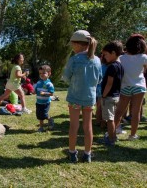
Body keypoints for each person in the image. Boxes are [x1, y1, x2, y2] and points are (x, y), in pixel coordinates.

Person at [63, 30, 102, 163]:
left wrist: (74, 82)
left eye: (72, 44)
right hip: (90, 98)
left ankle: (72, 153)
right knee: (88, 126)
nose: (72, 47)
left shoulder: (74, 60)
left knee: (74, 126)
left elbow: (66, 78)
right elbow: (100, 78)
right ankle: (87, 154)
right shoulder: (97, 60)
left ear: (78, 44)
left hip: (75, 97)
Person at [114, 34, 147, 141]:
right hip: (139, 86)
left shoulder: (121, 58)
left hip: (125, 86)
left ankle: (113, 130)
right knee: (136, 112)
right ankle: (133, 135)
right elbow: (145, 70)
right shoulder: (144, 57)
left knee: (119, 111)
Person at [99, 41, 124, 146]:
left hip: (109, 97)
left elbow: (109, 83)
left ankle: (111, 139)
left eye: (106, 54)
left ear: (113, 53)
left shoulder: (112, 67)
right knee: (112, 118)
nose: (104, 57)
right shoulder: (120, 66)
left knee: (109, 119)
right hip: (116, 96)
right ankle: (113, 137)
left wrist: (103, 95)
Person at [35, 65, 55, 132]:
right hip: (38, 102)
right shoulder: (38, 82)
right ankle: (41, 127)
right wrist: (33, 91)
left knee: (44, 114)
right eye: (40, 73)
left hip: (46, 102)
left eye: (44, 73)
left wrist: (45, 94)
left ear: (49, 73)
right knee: (39, 115)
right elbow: (36, 90)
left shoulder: (49, 84)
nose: (41, 75)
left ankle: (50, 119)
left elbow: (51, 94)